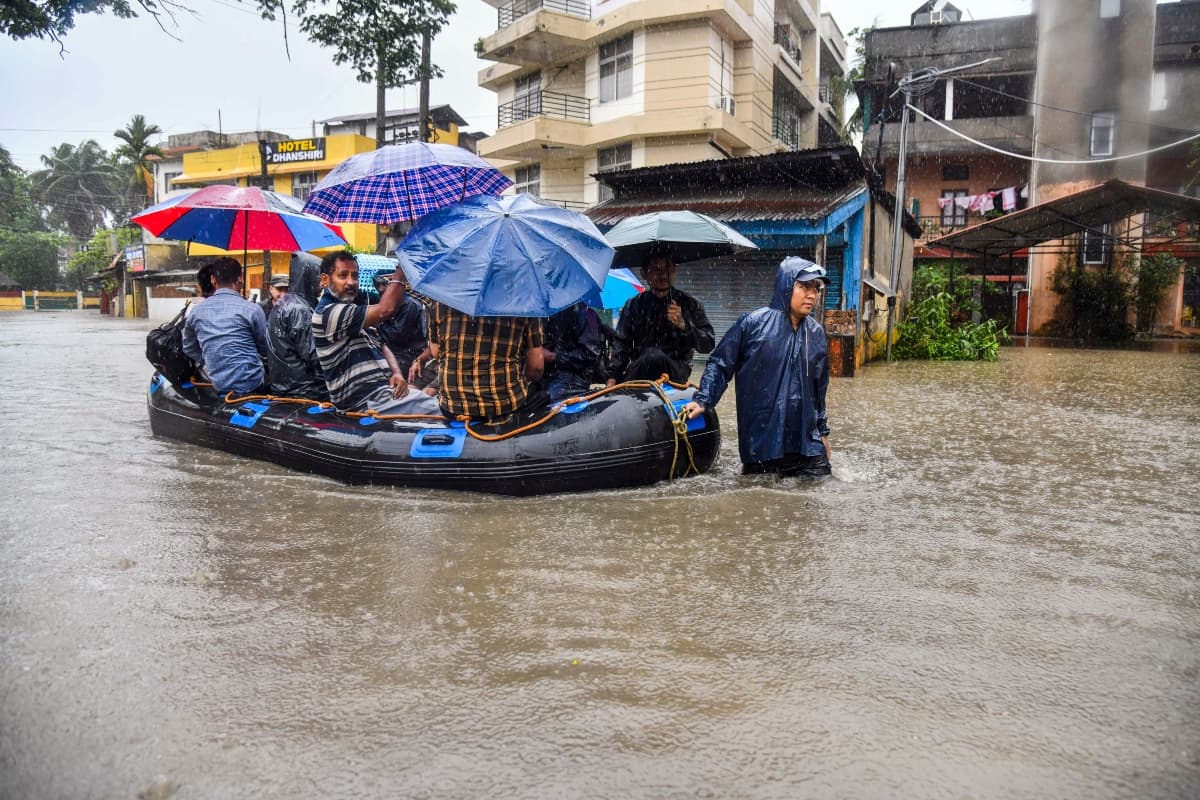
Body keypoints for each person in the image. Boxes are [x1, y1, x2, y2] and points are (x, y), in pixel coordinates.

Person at [683, 257, 832, 479]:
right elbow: (720, 363)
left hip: (807, 446)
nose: (812, 294)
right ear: (786, 285)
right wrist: (704, 399)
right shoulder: (752, 324)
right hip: (763, 443)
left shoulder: (816, 333)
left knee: (817, 498)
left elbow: (819, 390)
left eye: (816, 288)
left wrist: (823, 433)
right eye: (804, 286)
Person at [311, 250, 441, 415]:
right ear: (325, 280)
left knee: (432, 400)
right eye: (343, 276)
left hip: (384, 392)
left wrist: (396, 373)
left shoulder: (351, 311)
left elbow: (381, 343)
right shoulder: (328, 313)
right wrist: (404, 267)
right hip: (367, 401)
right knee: (439, 411)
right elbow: (385, 310)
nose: (351, 282)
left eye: (355, 276)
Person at [607, 248, 715, 384]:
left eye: (667, 268)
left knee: (654, 356)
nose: (663, 275)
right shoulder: (634, 305)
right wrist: (613, 376)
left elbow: (708, 345)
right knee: (650, 356)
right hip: (640, 373)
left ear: (674, 270)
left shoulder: (690, 304)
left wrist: (684, 325)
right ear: (644, 273)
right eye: (655, 269)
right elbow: (622, 343)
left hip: (676, 373)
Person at [426, 300, 546, 423]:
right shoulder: (525, 304)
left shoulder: (439, 301)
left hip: (451, 407)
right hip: (504, 406)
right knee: (542, 390)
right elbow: (536, 368)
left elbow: (436, 353)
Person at [182, 256, 270, 395]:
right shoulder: (252, 309)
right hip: (252, 383)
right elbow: (266, 349)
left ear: (213, 280)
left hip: (218, 383)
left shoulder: (196, 312)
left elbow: (188, 347)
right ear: (240, 279)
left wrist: (210, 357)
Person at [266, 252, 328, 401]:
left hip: (284, 385)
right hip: (305, 389)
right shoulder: (299, 309)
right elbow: (313, 355)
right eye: (319, 278)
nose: (321, 285)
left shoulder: (284, 302)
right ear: (308, 277)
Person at [371, 272, 438, 395]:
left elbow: (396, 335)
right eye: (377, 285)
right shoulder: (385, 303)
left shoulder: (409, 305)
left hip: (409, 355)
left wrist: (378, 323)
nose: (380, 289)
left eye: (384, 285)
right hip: (418, 359)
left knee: (419, 392)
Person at [542, 301, 607, 402]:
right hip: (551, 376)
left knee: (548, 400)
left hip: (572, 380)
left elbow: (589, 353)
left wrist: (555, 356)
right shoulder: (552, 313)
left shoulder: (585, 313)